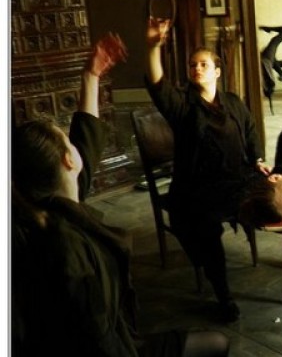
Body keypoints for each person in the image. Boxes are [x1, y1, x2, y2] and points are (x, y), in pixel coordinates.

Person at [11, 33, 230, 357]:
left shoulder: (49, 201)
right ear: (67, 161)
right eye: (67, 140)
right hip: (117, 350)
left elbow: (86, 135)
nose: (76, 143)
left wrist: (91, 74)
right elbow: (98, 340)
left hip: (112, 337)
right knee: (217, 343)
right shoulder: (66, 248)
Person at [146, 17, 272, 322]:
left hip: (238, 178)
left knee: (281, 192)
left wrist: (257, 159)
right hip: (198, 188)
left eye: (203, 64)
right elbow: (158, 85)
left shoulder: (233, 102)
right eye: (193, 65)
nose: (197, 69)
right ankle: (223, 296)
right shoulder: (182, 105)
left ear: (217, 71)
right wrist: (153, 47)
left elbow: (251, 131)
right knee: (206, 228)